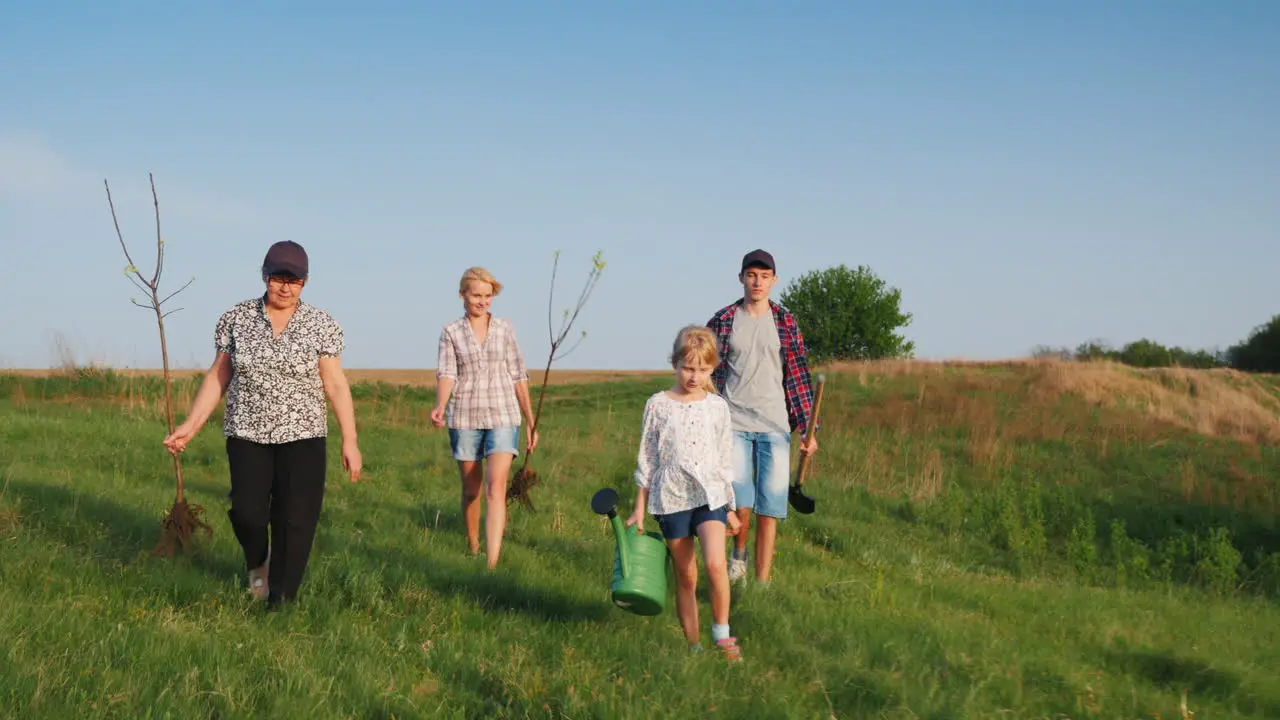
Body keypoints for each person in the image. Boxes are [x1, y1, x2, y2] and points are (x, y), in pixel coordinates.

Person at [163, 240, 363, 609]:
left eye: (294, 279)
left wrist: (349, 440)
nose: (285, 286)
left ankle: (281, 601)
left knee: (296, 519)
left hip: (304, 435)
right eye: (277, 277)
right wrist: (191, 425)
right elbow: (219, 375)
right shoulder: (237, 318)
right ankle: (258, 563)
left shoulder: (321, 324)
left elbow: (335, 382)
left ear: (305, 281)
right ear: (264, 275)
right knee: (246, 512)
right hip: (246, 431)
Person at [626, 325, 743, 661]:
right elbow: (647, 458)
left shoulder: (717, 406)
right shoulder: (658, 404)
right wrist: (639, 506)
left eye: (703, 369)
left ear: (713, 367)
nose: (695, 376)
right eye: (688, 368)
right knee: (686, 576)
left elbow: (723, 459)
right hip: (671, 498)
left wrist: (731, 506)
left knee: (716, 564)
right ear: (674, 363)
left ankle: (722, 635)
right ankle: (693, 647)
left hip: (711, 496)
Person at [706, 249, 818, 586]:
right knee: (741, 501)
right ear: (741, 278)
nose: (757, 282)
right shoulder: (723, 321)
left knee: (770, 508)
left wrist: (809, 431)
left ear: (774, 280)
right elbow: (705, 370)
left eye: (764, 276)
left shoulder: (785, 322)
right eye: (752, 275)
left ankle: (762, 583)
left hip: (775, 426)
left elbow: (798, 377)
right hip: (734, 424)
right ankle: (738, 559)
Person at [430, 267, 538, 570]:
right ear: (462, 294)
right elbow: (447, 373)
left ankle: (492, 564)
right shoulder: (451, 332)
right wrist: (440, 405)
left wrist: (530, 420)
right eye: (476, 295)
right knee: (471, 490)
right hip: (464, 416)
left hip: (504, 415)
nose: (482, 301)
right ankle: (473, 545)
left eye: (488, 296)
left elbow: (518, 374)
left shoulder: (504, 329)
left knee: (495, 488)